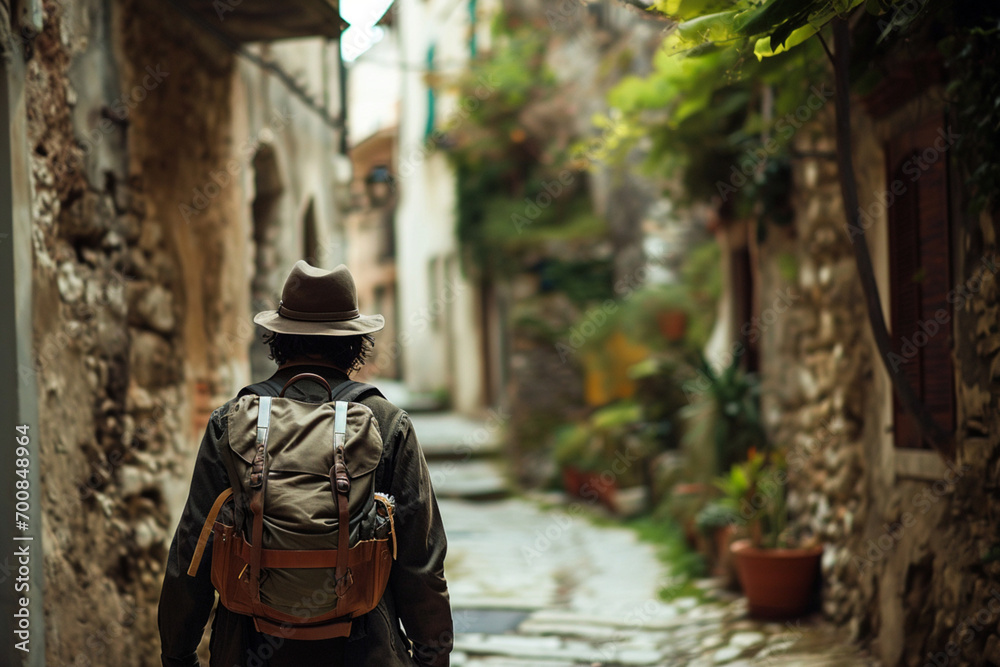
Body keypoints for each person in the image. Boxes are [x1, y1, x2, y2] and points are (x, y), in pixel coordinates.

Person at [158, 261, 453, 667]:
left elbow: (193, 550)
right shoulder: (386, 423)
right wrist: (431, 657)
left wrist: (178, 655)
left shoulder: (232, 422)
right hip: (364, 648)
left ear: (278, 338)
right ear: (355, 343)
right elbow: (421, 559)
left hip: (248, 647)